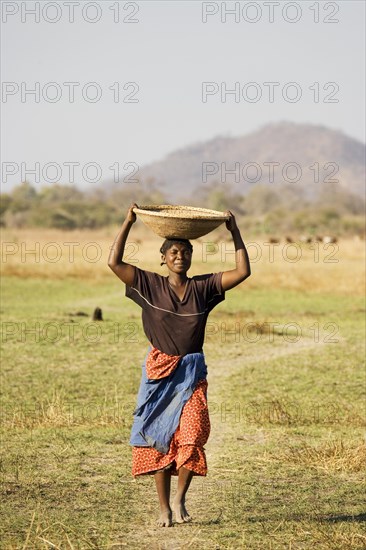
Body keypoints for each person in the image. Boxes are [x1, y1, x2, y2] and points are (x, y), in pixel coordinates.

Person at [108, 203, 251, 527]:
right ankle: (164, 509)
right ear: (163, 257)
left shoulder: (203, 287)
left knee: (192, 435)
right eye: (173, 251)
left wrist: (234, 232)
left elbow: (243, 272)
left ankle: (180, 497)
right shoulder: (148, 285)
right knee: (159, 438)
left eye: (185, 251)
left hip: (192, 373)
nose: (179, 256)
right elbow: (113, 262)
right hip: (159, 373)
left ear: (190, 257)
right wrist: (127, 221)